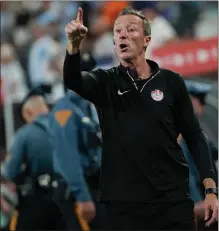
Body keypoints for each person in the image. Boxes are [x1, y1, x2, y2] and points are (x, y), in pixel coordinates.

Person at [63, 6, 218, 230]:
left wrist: (211, 190)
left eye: (130, 29)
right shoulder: (104, 82)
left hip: (172, 202)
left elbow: (194, 137)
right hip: (124, 206)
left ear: (146, 40)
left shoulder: (171, 82)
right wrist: (74, 45)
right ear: (114, 44)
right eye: (117, 32)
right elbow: (73, 80)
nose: (122, 34)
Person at [50, 53, 107, 230]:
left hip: (94, 184)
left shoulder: (87, 106)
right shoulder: (65, 111)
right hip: (77, 190)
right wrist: (82, 197)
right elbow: (68, 158)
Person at [0, 86, 66, 230]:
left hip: (37, 201)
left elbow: (10, 173)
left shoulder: (24, 134)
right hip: (65, 199)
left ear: (28, 113)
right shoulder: (64, 128)